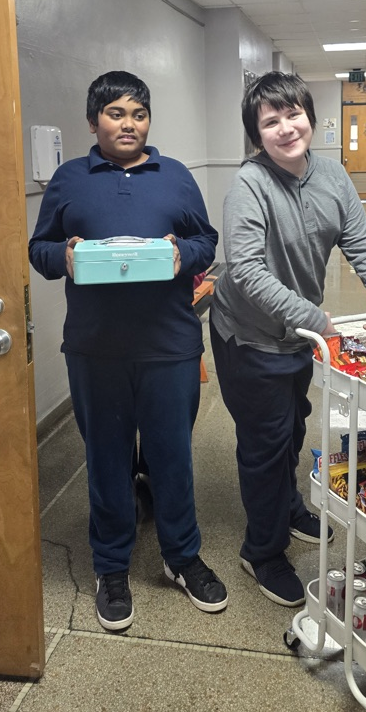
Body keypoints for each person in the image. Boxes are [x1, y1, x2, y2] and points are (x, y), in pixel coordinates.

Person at [29, 71, 227, 632]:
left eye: (138, 114)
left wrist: (179, 254)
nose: (129, 124)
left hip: (168, 344)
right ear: (93, 122)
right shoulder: (70, 180)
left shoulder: (176, 177)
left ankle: (182, 557)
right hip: (96, 350)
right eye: (116, 114)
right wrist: (63, 255)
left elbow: (206, 241)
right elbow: (38, 248)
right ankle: (111, 567)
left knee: (172, 458)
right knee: (108, 461)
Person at [209, 72, 366, 607]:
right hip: (248, 336)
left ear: (311, 117)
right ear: (257, 135)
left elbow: (361, 243)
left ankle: (289, 506)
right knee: (265, 443)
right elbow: (246, 272)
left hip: (297, 336)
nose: (285, 127)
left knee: (292, 427)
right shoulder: (249, 185)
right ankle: (262, 551)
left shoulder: (333, 175)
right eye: (270, 121)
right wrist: (316, 319)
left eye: (293, 113)